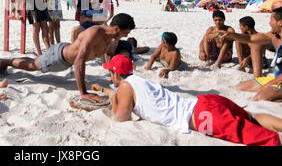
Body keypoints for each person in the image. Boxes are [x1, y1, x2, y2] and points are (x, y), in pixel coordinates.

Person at [91, 54, 281, 146]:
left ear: (115, 73)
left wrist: (112, 99)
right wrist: (105, 90)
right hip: (207, 102)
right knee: (252, 118)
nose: (109, 74)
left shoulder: (124, 87)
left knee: (268, 140)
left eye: (110, 72)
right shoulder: (137, 81)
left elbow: (121, 117)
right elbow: (124, 94)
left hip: (201, 117)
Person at [0, 13, 136, 104]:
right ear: (116, 28)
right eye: (125, 32)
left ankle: (14, 59)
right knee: (32, 66)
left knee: (35, 61)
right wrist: (84, 93)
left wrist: (117, 77)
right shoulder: (95, 32)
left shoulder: (110, 38)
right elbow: (79, 61)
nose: (125, 35)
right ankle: (4, 61)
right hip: (59, 58)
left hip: (65, 53)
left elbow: (108, 58)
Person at [224, 7, 282, 102]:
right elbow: (251, 39)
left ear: (280, 22)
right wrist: (231, 35)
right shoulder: (273, 36)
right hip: (276, 77)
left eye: (271, 20)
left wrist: (266, 86)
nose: (269, 23)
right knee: (240, 87)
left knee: (260, 97)